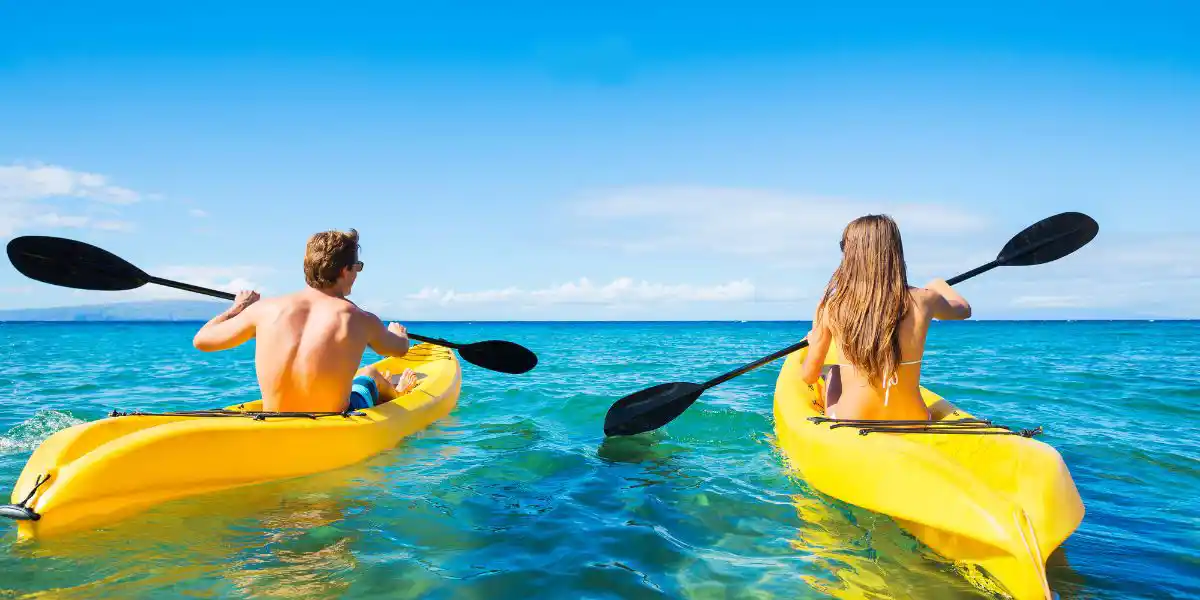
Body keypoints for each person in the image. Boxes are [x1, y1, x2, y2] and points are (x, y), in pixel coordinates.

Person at [191, 228, 419, 413]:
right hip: (335, 420)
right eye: (357, 267)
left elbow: (202, 340)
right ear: (344, 271)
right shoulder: (359, 319)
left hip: (275, 419)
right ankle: (398, 392)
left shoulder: (263, 310)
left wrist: (239, 307)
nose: (357, 273)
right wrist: (398, 332)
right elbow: (399, 349)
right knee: (369, 374)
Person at [799, 214, 972, 421]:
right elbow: (963, 310)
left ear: (851, 254)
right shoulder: (926, 299)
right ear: (895, 251)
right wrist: (938, 284)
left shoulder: (831, 305)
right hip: (915, 419)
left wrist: (813, 341)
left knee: (834, 372)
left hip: (851, 420)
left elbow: (808, 376)